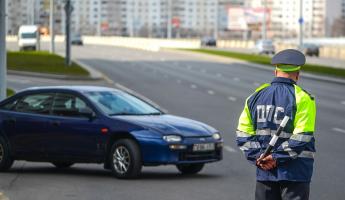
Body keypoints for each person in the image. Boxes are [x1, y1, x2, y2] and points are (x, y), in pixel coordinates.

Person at [236, 49, 316, 200]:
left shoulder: (255, 96)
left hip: (265, 172)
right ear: (298, 74)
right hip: (295, 174)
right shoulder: (303, 98)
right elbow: (302, 136)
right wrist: (276, 157)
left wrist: (259, 157)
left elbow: (243, 134)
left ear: (275, 71)